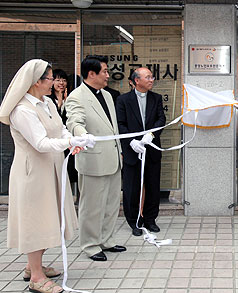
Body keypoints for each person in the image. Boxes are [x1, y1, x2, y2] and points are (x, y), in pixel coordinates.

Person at [0, 59, 88, 293]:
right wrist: (68, 143)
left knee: (50, 218)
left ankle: (32, 267)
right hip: (32, 174)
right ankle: (36, 277)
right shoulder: (23, 110)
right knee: (36, 221)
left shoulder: (46, 102)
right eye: (50, 79)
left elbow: (59, 128)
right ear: (37, 81)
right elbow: (39, 142)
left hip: (51, 168)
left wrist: (72, 140)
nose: (54, 83)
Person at [65, 55, 126, 261]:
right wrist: (82, 136)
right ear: (91, 74)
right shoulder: (76, 96)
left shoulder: (107, 96)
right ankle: (90, 245)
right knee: (92, 206)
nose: (108, 75)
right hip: (92, 160)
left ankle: (106, 240)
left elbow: (112, 127)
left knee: (111, 204)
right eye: (105, 71)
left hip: (113, 159)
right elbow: (74, 121)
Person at [116, 67, 166, 236]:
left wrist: (151, 135)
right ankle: (135, 222)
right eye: (148, 77)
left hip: (151, 149)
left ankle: (150, 220)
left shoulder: (156, 98)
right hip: (132, 151)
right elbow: (120, 124)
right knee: (132, 188)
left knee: (153, 187)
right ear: (136, 80)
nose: (151, 80)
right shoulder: (123, 100)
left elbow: (161, 119)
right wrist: (131, 142)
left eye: (152, 77)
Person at [48, 69, 79, 189]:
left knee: (70, 172)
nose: (61, 83)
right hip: (55, 141)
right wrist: (60, 103)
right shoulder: (48, 100)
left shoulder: (71, 98)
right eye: (58, 80)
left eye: (64, 80)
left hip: (69, 140)